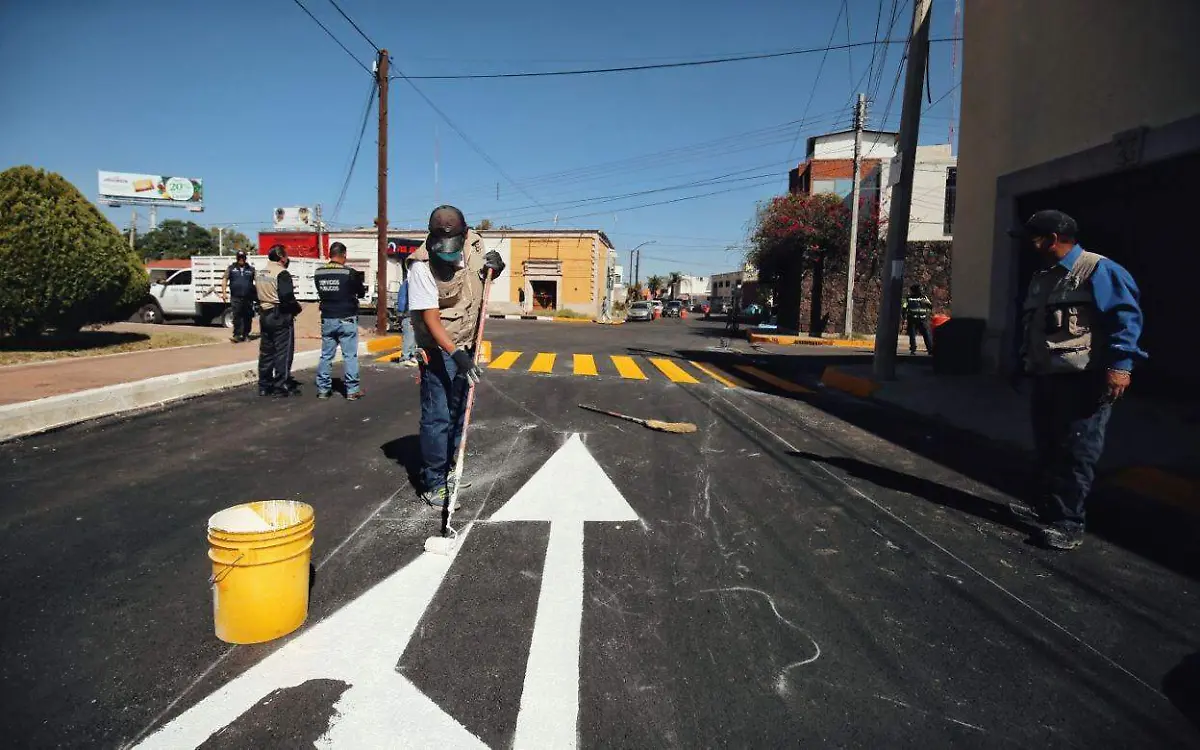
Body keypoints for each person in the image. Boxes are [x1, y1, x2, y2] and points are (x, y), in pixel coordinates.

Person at [1009, 209, 1146, 550]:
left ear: (1053, 239)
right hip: (1047, 377)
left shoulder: (1098, 270)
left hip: (1083, 380)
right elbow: (1033, 326)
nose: (1029, 245)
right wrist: (1021, 363)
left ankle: (1068, 522)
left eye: (1034, 238)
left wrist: (1121, 366)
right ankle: (1045, 508)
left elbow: (1125, 320)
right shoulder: (1042, 276)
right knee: (1048, 447)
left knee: (1077, 451)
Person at [408, 206, 506, 507]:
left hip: (469, 342)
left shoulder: (474, 243)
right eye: (441, 249)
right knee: (437, 417)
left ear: (464, 234)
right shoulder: (420, 267)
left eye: (453, 249)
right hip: (439, 350)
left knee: (459, 411)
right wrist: (456, 354)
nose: (448, 256)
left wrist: (496, 267)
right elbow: (431, 320)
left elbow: (481, 279)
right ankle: (434, 482)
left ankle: (450, 468)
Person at [314, 242, 367, 400]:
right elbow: (361, 292)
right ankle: (352, 390)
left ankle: (323, 389)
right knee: (349, 355)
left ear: (330, 254)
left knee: (326, 355)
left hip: (327, 318)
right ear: (344, 255)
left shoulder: (319, 272)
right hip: (346, 318)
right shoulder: (349, 272)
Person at [255, 246, 302, 398]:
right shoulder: (282, 273)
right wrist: (296, 309)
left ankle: (264, 385)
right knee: (283, 352)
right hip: (280, 315)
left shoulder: (260, 272)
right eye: (286, 256)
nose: (287, 259)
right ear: (282, 257)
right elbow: (286, 297)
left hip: (264, 313)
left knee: (266, 352)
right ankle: (281, 385)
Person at [221, 251, 257, 342]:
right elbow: (225, 279)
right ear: (237, 258)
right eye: (239, 258)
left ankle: (246, 335)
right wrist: (224, 293)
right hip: (236, 297)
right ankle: (237, 335)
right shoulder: (231, 268)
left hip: (248, 297)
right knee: (237, 316)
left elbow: (258, 281)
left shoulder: (251, 269)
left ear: (245, 258)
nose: (241, 259)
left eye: (243, 257)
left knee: (247, 316)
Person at [902, 284, 934, 355]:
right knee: (925, 334)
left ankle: (914, 349)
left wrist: (904, 316)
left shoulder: (909, 298)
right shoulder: (923, 298)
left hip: (914, 319)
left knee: (913, 334)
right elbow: (930, 306)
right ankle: (930, 349)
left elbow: (904, 308)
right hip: (921, 318)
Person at [395, 274, 419, 367]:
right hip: (409, 313)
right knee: (410, 336)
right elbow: (402, 300)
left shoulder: (408, 283)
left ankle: (411, 355)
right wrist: (402, 311)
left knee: (412, 336)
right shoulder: (408, 283)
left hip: (411, 313)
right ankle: (405, 357)